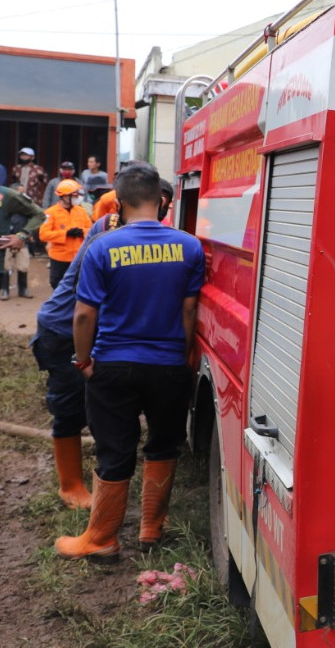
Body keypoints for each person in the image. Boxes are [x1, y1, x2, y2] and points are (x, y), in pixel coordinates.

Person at [54, 164, 204, 562]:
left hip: (113, 366)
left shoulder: (103, 247)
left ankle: (102, 539)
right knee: (163, 443)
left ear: (118, 203)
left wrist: (84, 361)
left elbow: (84, 315)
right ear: (160, 201)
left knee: (114, 450)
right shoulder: (190, 247)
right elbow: (189, 312)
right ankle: (152, 528)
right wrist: (182, 360)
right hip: (168, 364)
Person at [32, 178, 174, 511]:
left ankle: (102, 478)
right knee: (70, 409)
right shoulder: (109, 232)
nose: (159, 207)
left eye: (163, 201)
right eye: (157, 199)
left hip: (92, 330)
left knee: (97, 408)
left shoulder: (134, 232)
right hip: (65, 328)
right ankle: (70, 485)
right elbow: (89, 306)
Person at [40, 180, 93, 289]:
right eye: (74, 195)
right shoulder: (51, 212)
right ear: (64, 196)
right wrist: (65, 234)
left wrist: (82, 232)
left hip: (78, 257)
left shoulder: (81, 211)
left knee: (78, 286)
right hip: (59, 258)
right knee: (56, 283)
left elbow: (91, 230)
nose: (77, 197)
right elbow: (43, 234)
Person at [0, 185, 46, 300]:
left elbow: (39, 214)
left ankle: (21, 289)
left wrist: (22, 235)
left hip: (9, 243)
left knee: (21, 265)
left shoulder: (8, 196)